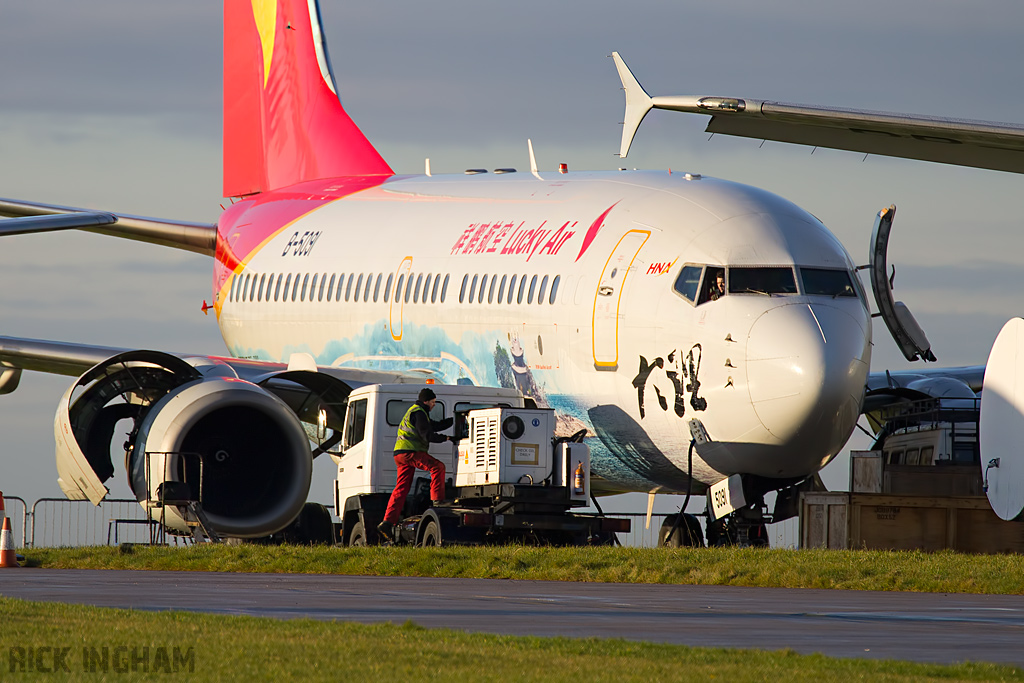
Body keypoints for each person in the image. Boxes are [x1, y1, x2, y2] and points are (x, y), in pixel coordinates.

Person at [377, 388, 454, 542]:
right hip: (410, 452)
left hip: (400, 454)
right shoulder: (419, 413)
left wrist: (454, 420)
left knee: (401, 489)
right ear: (426, 401)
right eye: (433, 402)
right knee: (437, 467)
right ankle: (438, 500)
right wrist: (446, 438)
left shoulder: (418, 412)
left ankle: (387, 522)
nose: (434, 405)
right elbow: (427, 434)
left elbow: (434, 426)